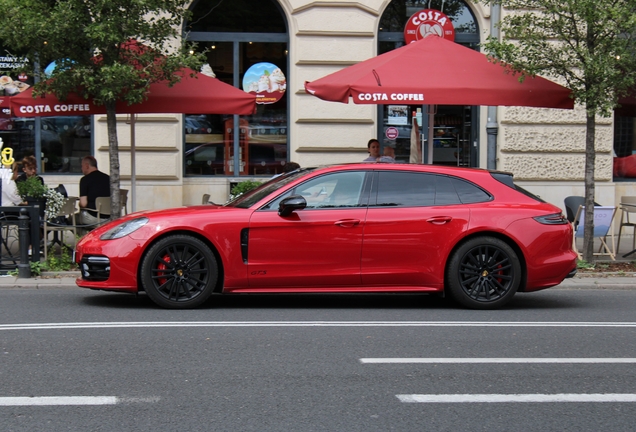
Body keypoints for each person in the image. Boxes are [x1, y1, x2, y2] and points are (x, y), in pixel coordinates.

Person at [78, 156, 110, 232]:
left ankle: (85, 239)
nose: (81, 169)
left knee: (72, 220)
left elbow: (83, 204)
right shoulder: (108, 178)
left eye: (82, 166)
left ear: (86, 166)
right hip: (110, 217)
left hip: (93, 217)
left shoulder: (85, 180)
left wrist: (79, 204)